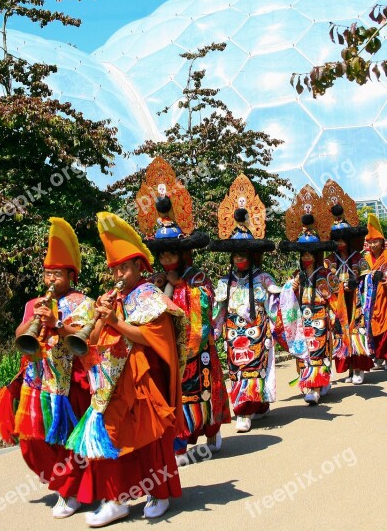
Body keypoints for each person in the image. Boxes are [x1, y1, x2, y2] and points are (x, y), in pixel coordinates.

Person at [59, 212, 185, 527]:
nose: (119, 273)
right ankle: (116, 499)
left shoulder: (149, 295)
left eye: (125, 267)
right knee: (109, 436)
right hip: (112, 380)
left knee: (149, 438)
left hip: (143, 380)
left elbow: (153, 338)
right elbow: (95, 337)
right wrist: (101, 316)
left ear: (139, 267)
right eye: (115, 268)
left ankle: (159, 492)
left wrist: (116, 321)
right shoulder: (115, 297)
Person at [0, 217, 95, 519]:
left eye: (57, 273)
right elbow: (20, 334)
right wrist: (34, 319)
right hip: (37, 383)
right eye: (47, 273)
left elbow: (87, 339)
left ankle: (70, 491)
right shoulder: (34, 302)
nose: (51, 279)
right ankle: (61, 484)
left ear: (70, 275)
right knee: (32, 443)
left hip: (69, 386)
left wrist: (57, 324)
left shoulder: (83, 303)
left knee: (67, 443)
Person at [136, 156, 230, 462]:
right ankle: (180, 441)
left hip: (197, 348)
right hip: (167, 351)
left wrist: (180, 287)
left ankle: (212, 431)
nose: (166, 260)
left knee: (202, 390)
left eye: (171, 254)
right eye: (161, 255)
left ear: (184, 252)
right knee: (176, 395)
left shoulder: (198, 278)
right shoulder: (154, 280)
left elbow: (205, 305)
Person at [209, 174, 280, 433]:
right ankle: (243, 408)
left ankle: (253, 407)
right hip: (232, 331)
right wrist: (212, 332)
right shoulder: (223, 283)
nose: (239, 258)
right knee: (237, 368)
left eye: (244, 253)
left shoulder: (263, 279)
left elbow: (275, 306)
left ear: (252, 255)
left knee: (254, 368)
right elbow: (218, 312)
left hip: (257, 330)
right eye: (236, 254)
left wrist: (276, 327)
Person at [279, 185, 338, 405]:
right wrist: (291, 288)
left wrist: (333, 319)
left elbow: (334, 299)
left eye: (309, 253)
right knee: (305, 354)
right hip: (302, 319)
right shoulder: (298, 275)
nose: (306, 258)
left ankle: (319, 382)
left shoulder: (326, 274)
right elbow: (288, 298)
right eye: (302, 254)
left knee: (318, 351)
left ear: (316, 253)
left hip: (320, 317)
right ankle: (310, 385)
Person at [322, 180, 373, 385]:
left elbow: (367, 279)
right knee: (341, 333)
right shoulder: (330, 260)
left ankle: (359, 367)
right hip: (338, 302)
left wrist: (355, 283)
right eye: (337, 240)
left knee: (356, 332)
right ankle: (349, 369)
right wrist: (335, 289)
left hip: (355, 301)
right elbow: (325, 280)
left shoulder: (357, 259)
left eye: (343, 239)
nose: (340, 243)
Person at [363, 213, 387, 369]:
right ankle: (378, 356)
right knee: (372, 325)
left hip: (385, 294)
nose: (373, 245)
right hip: (370, 298)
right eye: (370, 242)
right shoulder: (365, 258)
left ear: (382, 241)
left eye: (375, 241)